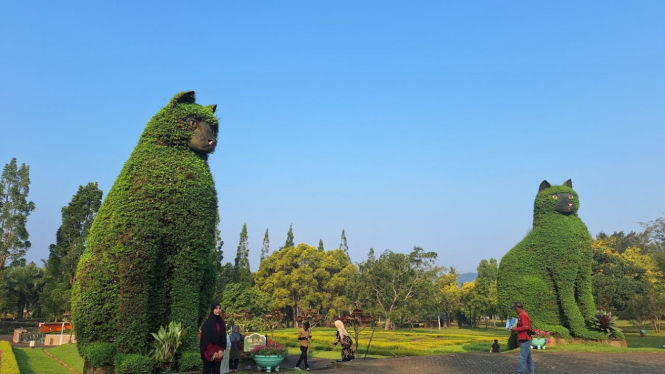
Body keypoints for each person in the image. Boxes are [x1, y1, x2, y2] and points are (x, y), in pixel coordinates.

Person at [200, 303, 227, 374]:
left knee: (216, 371)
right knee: (207, 371)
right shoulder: (208, 323)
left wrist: (221, 350)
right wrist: (213, 352)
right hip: (208, 351)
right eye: (216, 308)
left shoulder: (222, 322)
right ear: (212, 310)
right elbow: (205, 339)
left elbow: (224, 337)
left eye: (219, 308)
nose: (218, 310)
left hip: (218, 351)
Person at [510, 302, 534, 374]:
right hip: (526, 338)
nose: (515, 310)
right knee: (528, 358)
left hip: (525, 338)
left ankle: (520, 372)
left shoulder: (522, 315)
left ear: (520, 308)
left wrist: (515, 329)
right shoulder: (522, 314)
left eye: (516, 308)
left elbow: (525, 327)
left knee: (522, 357)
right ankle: (531, 372)